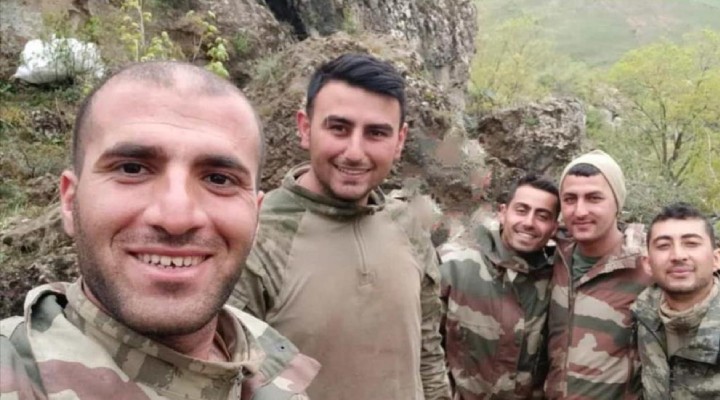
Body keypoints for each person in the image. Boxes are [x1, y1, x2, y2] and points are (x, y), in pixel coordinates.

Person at [0, 61, 319, 399]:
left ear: (256, 217)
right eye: (132, 169)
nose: (176, 218)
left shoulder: (276, 370)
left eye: (218, 179)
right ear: (69, 201)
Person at [229, 53, 450, 400]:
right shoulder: (257, 237)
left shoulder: (408, 226)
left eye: (376, 133)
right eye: (339, 128)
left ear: (400, 140)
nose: (354, 152)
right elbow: (226, 376)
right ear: (305, 128)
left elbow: (428, 351)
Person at [439, 174, 560, 399]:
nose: (529, 222)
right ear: (503, 213)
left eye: (542, 216)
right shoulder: (454, 266)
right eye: (521, 210)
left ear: (554, 227)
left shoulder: (558, 280)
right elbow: (423, 346)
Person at [545, 150, 652, 399]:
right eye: (570, 199)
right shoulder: (552, 256)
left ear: (617, 204)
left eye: (594, 198)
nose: (580, 211)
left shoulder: (647, 265)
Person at [632, 202, 720, 398]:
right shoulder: (643, 315)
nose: (678, 255)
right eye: (663, 246)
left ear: (716, 259)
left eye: (691, 243)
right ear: (648, 264)